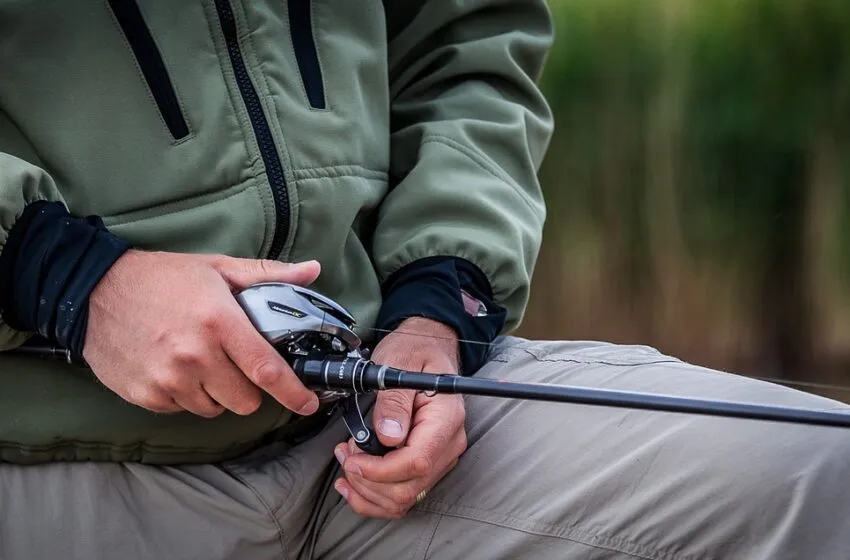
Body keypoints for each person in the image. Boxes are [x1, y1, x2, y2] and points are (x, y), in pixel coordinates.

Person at [0, 1, 848, 558]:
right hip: (39, 468)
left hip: (375, 422)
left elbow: (468, 53)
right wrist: (73, 281)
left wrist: (438, 314)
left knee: (824, 470)